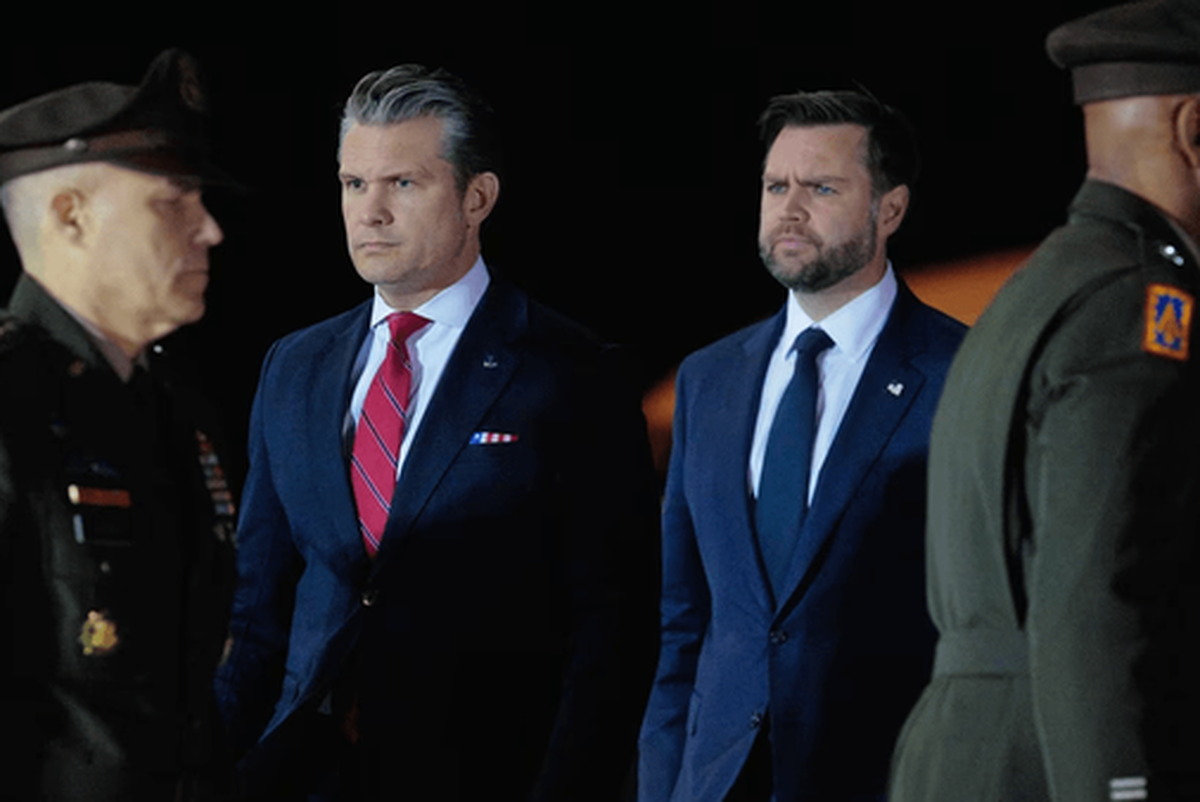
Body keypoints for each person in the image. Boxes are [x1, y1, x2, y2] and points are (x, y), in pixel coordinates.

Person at [213, 64, 660, 801]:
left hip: (484, 773)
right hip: (300, 772)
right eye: (354, 183)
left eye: (403, 183)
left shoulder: (572, 372)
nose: (371, 212)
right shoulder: (294, 366)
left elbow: (611, 632)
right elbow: (258, 608)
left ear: (477, 197)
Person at [888, 1, 1200, 799]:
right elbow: (1098, 602)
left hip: (962, 750)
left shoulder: (1038, 290)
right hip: (1058, 759)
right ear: (1193, 129)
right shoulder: (1137, 306)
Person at [637, 89, 966, 801]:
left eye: (821, 188)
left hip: (884, 776)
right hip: (715, 779)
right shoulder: (707, 379)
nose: (789, 209)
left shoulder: (964, 373)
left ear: (890, 209)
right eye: (775, 186)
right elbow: (682, 619)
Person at [0, 50, 239, 800]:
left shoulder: (175, 411)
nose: (210, 230)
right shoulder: (11, 409)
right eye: (173, 203)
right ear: (70, 216)